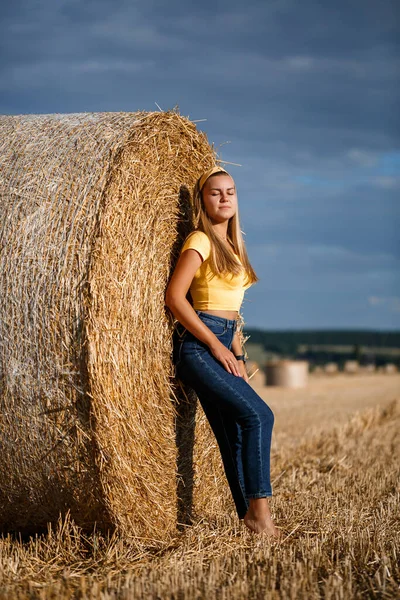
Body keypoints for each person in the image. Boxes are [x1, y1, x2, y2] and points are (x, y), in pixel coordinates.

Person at [165, 166, 280, 537]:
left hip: (222, 341)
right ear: (203, 200)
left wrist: (238, 354)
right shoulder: (199, 241)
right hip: (198, 347)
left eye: (230, 191)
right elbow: (174, 298)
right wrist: (215, 345)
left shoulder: (234, 245)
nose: (225, 198)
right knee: (259, 416)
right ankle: (261, 516)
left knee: (232, 432)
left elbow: (233, 313)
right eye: (216, 192)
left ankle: (248, 518)